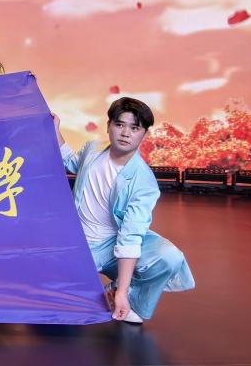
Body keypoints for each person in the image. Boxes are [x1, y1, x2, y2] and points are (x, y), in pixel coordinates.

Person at [54, 97, 195, 323]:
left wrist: (122, 291)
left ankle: (126, 295)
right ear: (108, 126)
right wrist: (55, 129)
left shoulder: (144, 182)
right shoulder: (93, 149)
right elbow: (71, 162)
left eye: (134, 128)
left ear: (144, 134)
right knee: (54, 297)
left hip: (114, 243)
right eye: (119, 125)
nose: (126, 133)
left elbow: (130, 236)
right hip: (78, 242)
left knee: (170, 257)